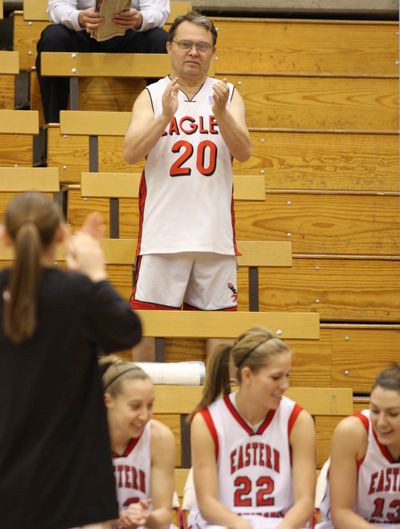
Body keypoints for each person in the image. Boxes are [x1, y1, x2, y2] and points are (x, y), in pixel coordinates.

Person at [0, 191, 142, 529]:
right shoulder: (77, 292)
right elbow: (128, 331)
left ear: (6, 237)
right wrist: (96, 274)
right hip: (68, 476)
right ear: (62, 235)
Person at [123, 11, 252, 312]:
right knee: (148, 326)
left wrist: (221, 115)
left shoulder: (227, 94)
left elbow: (244, 152)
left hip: (215, 237)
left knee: (219, 330)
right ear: (169, 47)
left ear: (212, 52)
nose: (193, 52)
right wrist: (165, 117)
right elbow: (130, 154)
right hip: (162, 236)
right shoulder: (152, 95)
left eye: (202, 46)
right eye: (185, 44)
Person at [188, 327, 316, 529]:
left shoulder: (298, 420)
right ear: (247, 375)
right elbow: (207, 504)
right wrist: (242, 525)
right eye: (276, 377)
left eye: (287, 376)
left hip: (281, 522)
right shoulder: (207, 421)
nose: (285, 385)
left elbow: (306, 502)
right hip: (224, 523)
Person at [36, 0, 170, 123]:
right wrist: (79, 17)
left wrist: (140, 18)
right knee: (53, 37)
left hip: (130, 33)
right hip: (82, 31)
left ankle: (163, 125)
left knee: (159, 39)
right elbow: (57, 6)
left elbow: (158, 10)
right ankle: (54, 125)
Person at [316, 364, 400, 529]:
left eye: (393, 414)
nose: (381, 422)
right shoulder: (352, 433)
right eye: (375, 410)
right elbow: (341, 514)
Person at [99, 355, 176, 529]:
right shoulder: (83, 441)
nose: (145, 416)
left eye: (150, 405)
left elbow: (163, 516)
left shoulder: (160, 437)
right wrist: (118, 518)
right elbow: (76, 516)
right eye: (135, 406)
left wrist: (146, 517)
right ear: (108, 401)